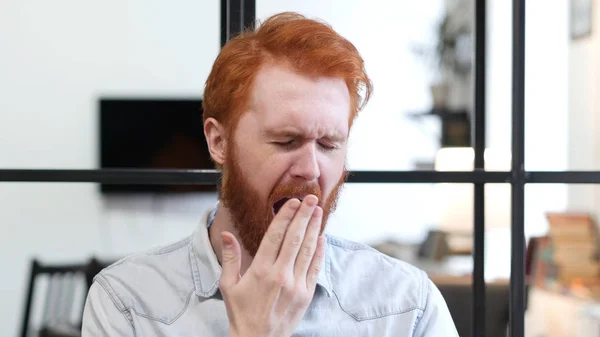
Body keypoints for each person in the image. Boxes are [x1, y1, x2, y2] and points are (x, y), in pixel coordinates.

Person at [81, 11, 458, 337]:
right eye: (286, 140)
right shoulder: (126, 302)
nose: (310, 169)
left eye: (329, 145)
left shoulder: (407, 305)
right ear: (218, 141)